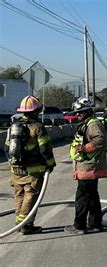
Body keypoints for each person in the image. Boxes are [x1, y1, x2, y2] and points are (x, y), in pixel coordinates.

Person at [4, 96, 56, 234]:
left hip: (16, 170)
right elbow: (45, 149)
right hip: (32, 171)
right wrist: (51, 164)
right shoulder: (38, 127)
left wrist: (13, 163)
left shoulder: (13, 127)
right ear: (37, 111)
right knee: (30, 196)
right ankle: (26, 225)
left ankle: (19, 222)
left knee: (19, 195)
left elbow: (6, 148)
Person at [64, 97, 107, 234]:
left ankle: (79, 225)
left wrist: (84, 148)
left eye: (80, 113)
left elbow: (101, 140)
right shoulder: (87, 123)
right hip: (87, 166)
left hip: (89, 167)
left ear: (88, 111)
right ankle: (95, 223)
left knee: (82, 197)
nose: (77, 115)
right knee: (92, 195)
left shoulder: (93, 125)